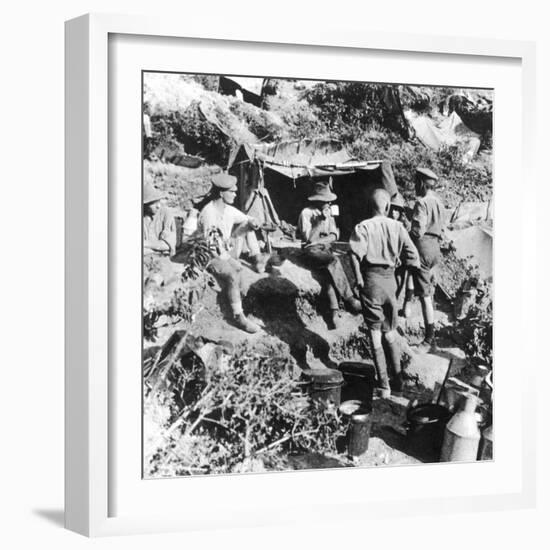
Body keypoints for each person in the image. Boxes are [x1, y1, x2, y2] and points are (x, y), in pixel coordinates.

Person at [349, 189, 420, 398]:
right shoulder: (397, 227)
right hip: (390, 283)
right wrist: (402, 277)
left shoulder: (363, 227)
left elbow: (353, 254)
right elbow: (413, 257)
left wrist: (359, 279)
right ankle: (398, 382)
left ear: (370, 207)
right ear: (388, 207)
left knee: (374, 333)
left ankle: (384, 386)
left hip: (371, 281)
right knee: (390, 332)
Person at [197, 172, 268, 333]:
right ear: (221, 193)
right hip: (208, 254)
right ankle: (238, 317)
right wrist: (230, 259)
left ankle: (237, 306)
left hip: (223, 251)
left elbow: (245, 218)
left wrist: (253, 222)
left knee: (240, 273)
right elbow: (212, 246)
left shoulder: (228, 210)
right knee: (232, 274)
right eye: (232, 191)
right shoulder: (208, 213)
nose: (236, 194)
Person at [297, 181, 361, 329]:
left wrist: (323, 240)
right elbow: (309, 240)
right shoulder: (306, 213)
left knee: (329, 275)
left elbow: (334, 236)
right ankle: (350, 299)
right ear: (317, 200)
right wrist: (320, 221)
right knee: (332, 261)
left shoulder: (329, 212)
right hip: (311, 252)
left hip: (323, 249)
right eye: (326, 200)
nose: (329, 203)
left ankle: (334, 313)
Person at [406, 167, 446, 351]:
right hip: (435, 248)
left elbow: (418, 231)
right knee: (428, 291)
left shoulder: (422, 203)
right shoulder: (439, 202)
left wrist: (406, 231)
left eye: (416, 183)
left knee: (425, 297)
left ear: (421, 183)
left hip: (423, 247)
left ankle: (430, 340)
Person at [143, 184, 176, 256]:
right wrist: (158, 248)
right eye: (153, 204)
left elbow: (168, 245)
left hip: (164, 259)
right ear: (145, 205)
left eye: (158, 202)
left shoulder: (166, 213)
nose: (158, 206)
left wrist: (146, 243)